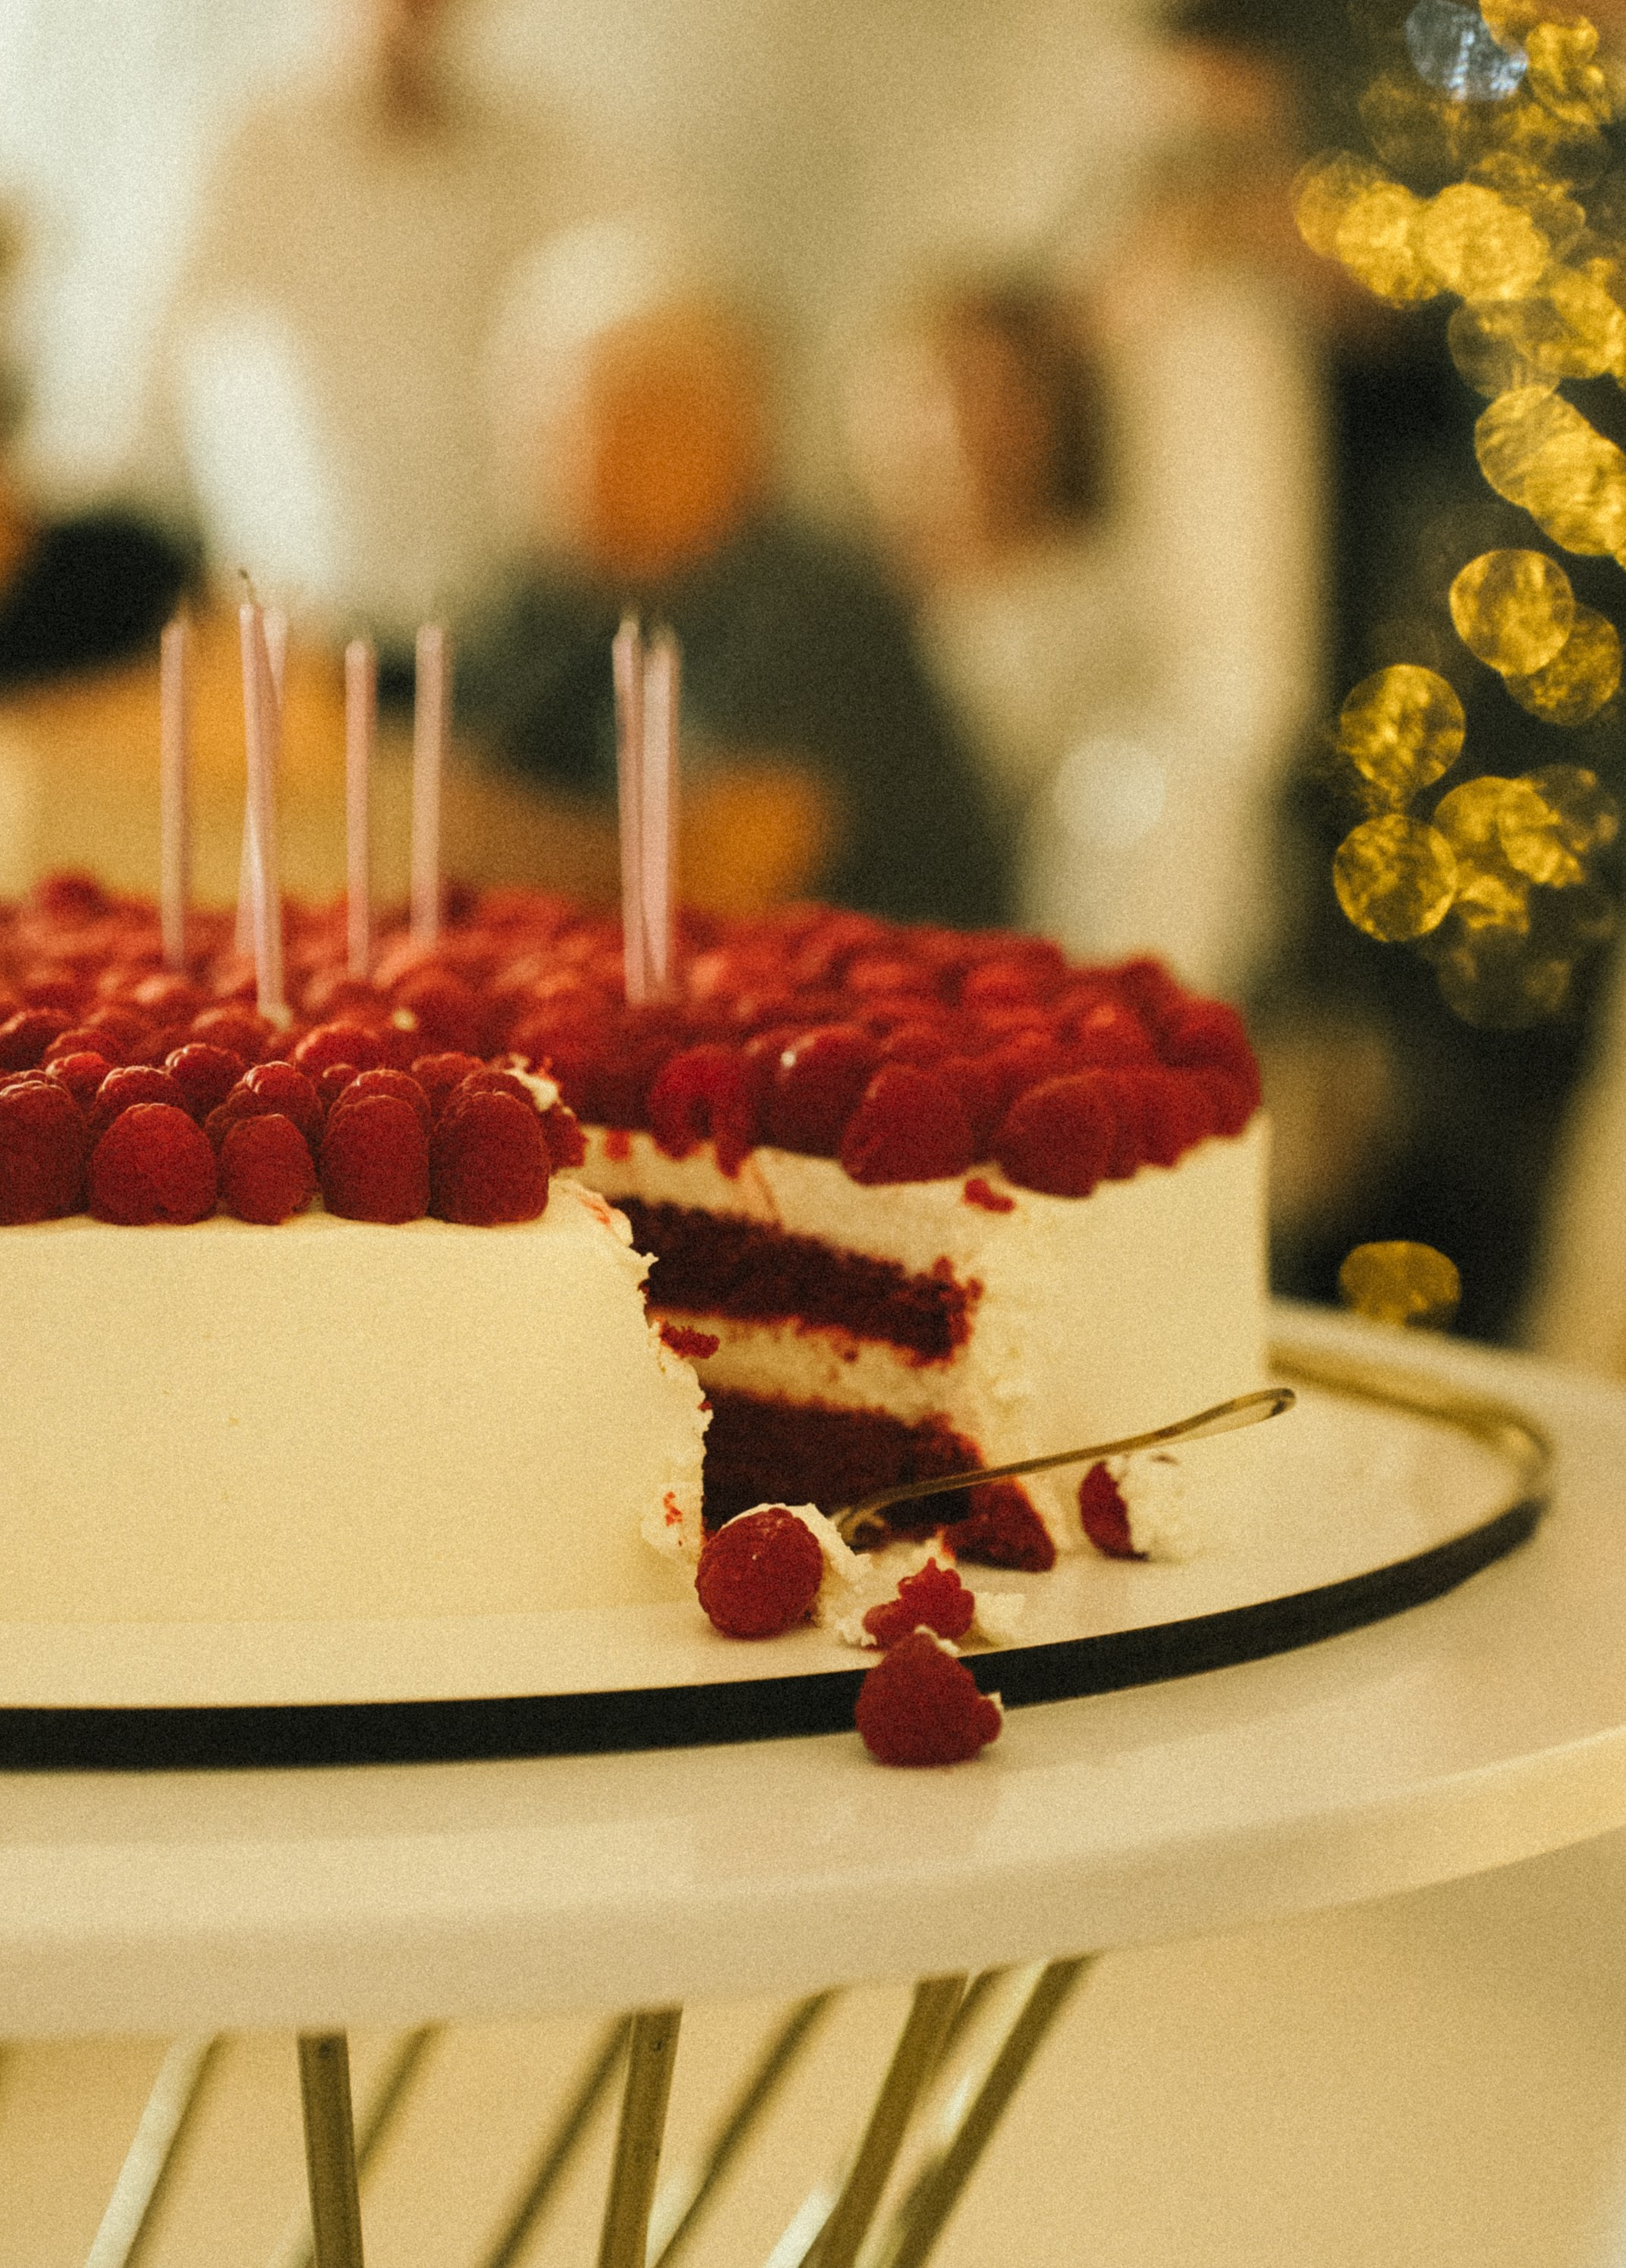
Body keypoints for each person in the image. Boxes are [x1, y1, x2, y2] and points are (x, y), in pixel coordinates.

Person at [460, 224, 1011, 927]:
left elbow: (714, 875)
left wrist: (445, 825)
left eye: (607, 417)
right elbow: (452, 707)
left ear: (724, 424)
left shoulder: (817, 612)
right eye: (537, 422)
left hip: (885, 1019)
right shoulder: (571, 597)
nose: (563, 458)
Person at [146, 0, 599, 658]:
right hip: (302, 622)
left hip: (487, 623)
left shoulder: (534, 154)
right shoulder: (255, 142)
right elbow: (147, 378)